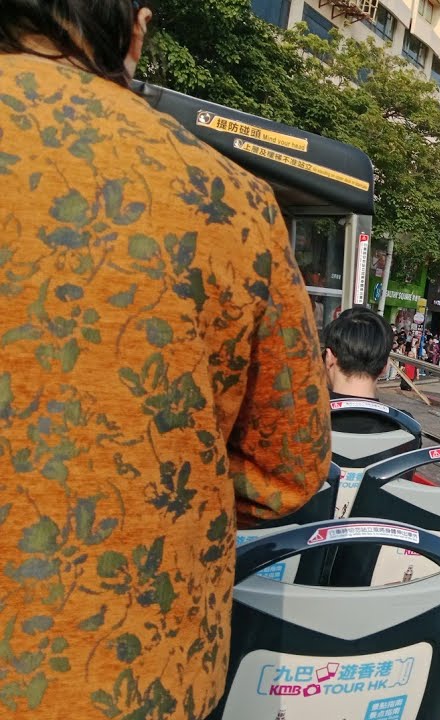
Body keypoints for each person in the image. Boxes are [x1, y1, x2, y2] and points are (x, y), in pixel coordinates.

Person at [0, 3, 332, 717]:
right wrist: (160, 475)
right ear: (137, 32)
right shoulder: (229, 199)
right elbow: (291, 466)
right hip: (141, 675)